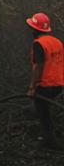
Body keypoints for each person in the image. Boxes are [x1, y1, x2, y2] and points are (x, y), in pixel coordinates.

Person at [26, 12, 64, 149]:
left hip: (45, 84)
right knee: (43, 108)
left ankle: (49, 140)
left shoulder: (39, 44)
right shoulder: (57, 42)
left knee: (43, 112)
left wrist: (32, 87)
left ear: (36, 29)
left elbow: (38, 66)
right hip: (59, 84)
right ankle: (49, 135)